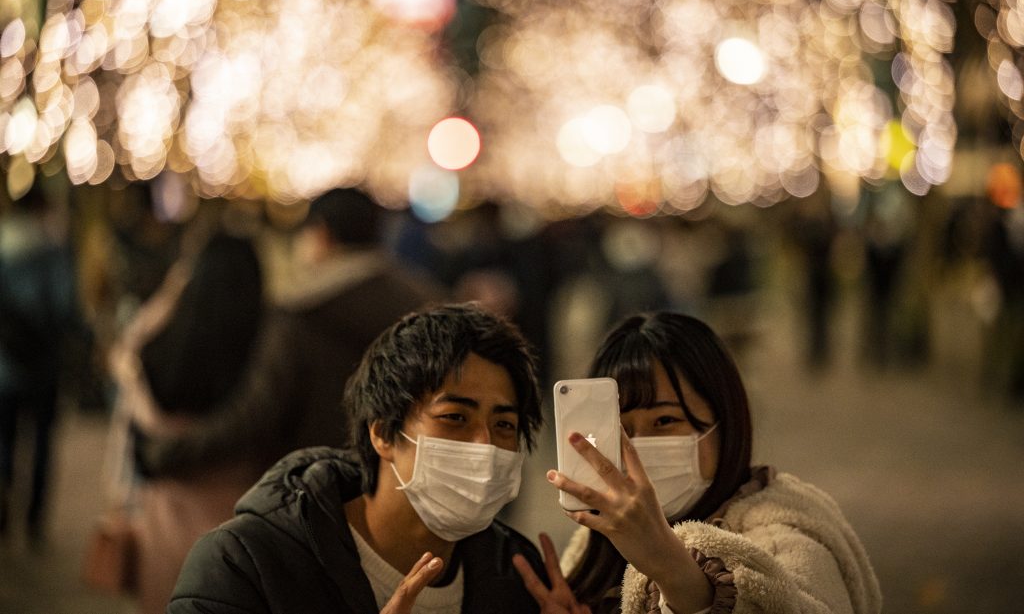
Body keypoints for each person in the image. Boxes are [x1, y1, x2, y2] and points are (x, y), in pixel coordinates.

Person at [169, 303, 547, 614]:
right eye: (454, 418)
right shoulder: (247, 565)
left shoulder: (517, 576)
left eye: (504, 425)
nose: (485, 445)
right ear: (382, 433)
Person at [513, 311, 881, 614]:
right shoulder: (596, 547)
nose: (636, 449)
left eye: (665, 422)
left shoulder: (783, 538)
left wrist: (673, 569)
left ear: (726, 422)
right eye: (620, 431)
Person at [106, 228, 266, 614]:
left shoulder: (165, 345)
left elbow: (126, 350)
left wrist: (175, 286)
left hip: (167, 506)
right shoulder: (265, 338)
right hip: (240, 503)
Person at [248, 187, 446, 465]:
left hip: (314, 476)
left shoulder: (302, 309)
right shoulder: (425, 300)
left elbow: (261, 411)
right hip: (403, 473)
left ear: (322, 232)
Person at [0, 183, 82, 542]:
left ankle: (2, 510)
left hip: (3, 367)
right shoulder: (53, 250)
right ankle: (34, 520)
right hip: (43, 366)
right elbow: (66, 308)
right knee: (42, 444)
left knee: (3, 440)